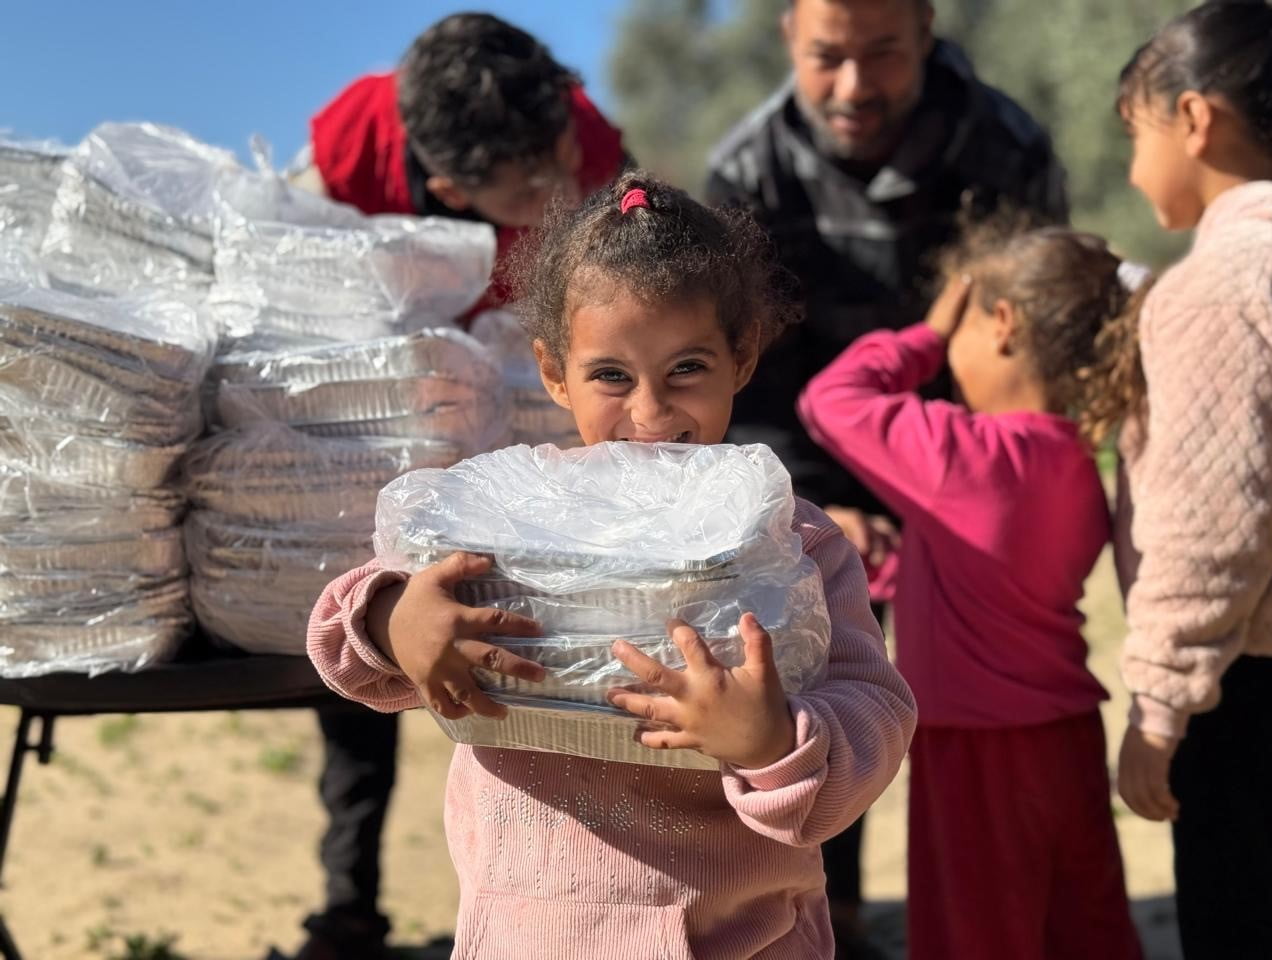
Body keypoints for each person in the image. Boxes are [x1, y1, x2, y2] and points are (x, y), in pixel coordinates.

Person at [306, 174, 918, 959]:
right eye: (612, 376)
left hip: (744, 938)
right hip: (528, 938)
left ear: (742, 357)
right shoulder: (514, 516)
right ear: (553, 371)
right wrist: (395, 620)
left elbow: (875, 711)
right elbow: (340, 646)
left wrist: (773, 742)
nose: (652, 414)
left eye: (687, 368)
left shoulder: (790, 541)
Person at [704, 0, 1067, 943]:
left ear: (928, 32)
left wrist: (975, 484)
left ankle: (1010, 911)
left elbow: (1038, 338)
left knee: (984, 707)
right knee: (812, 675)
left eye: (884, 54)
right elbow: (743, 377)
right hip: (811, 465)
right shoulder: (748, 172)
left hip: (969, 471)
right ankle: (831, 916)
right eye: (828, 56)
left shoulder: (1007, 147)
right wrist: (816, 505)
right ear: (789, 36)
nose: (855, 86)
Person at [280, 15, 628, 959]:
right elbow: (296, 299)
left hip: (531, 418)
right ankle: (349, 905)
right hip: (392, 416)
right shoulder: (348, 151)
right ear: (449, 190)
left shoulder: (583, 135)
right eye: (530, 190)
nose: (563, 190)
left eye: (565, 157)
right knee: (374, 627)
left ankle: (579, 909)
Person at [797, 223, 1147, 959]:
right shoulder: (1074, 458)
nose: (945, 359)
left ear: (1003, 324)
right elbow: (1006, 581)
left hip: (975, 749)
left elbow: (831, 399)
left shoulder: (966, 450)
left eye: (960, 329)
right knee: (1080, 929)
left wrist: (923, 336)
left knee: (976, 936)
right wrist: (905, 561)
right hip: (1067, 734)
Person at [1105, 5, 1272, 957]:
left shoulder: (1215, 288)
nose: (1135, 171)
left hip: (1251, 695)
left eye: (1137, 135)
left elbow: (1213, 529)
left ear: (1195, 119)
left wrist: (1160, 706)